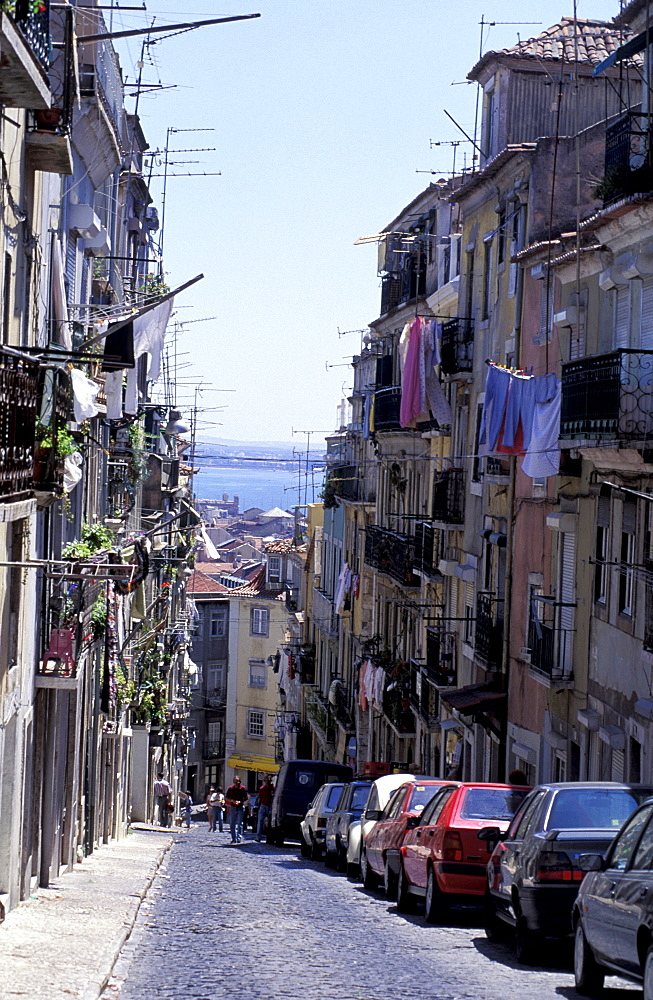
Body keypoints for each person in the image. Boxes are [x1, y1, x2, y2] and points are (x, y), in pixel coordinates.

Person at [225, 775, 249, 843]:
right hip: (233, 807)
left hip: (240, 807)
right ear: (233, 782)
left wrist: (240, 802)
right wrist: (232, 801)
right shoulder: (231, 788)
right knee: (232, 823)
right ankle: (233, 838)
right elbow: (227, 797)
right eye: (235, 781)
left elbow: (246, 797)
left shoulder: (243, 788)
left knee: (239, 823)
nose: (237, 783)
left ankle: (239, 837)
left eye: (238, 781)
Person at [255, 774, 274, 842]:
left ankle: (269, 837)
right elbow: (260, 798)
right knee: (260, 821)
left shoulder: (273, 788)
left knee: (270, 823)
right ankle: (258, 836)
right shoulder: (262, 789)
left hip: (270, 806)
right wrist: (259, 807)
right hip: (263, 806)